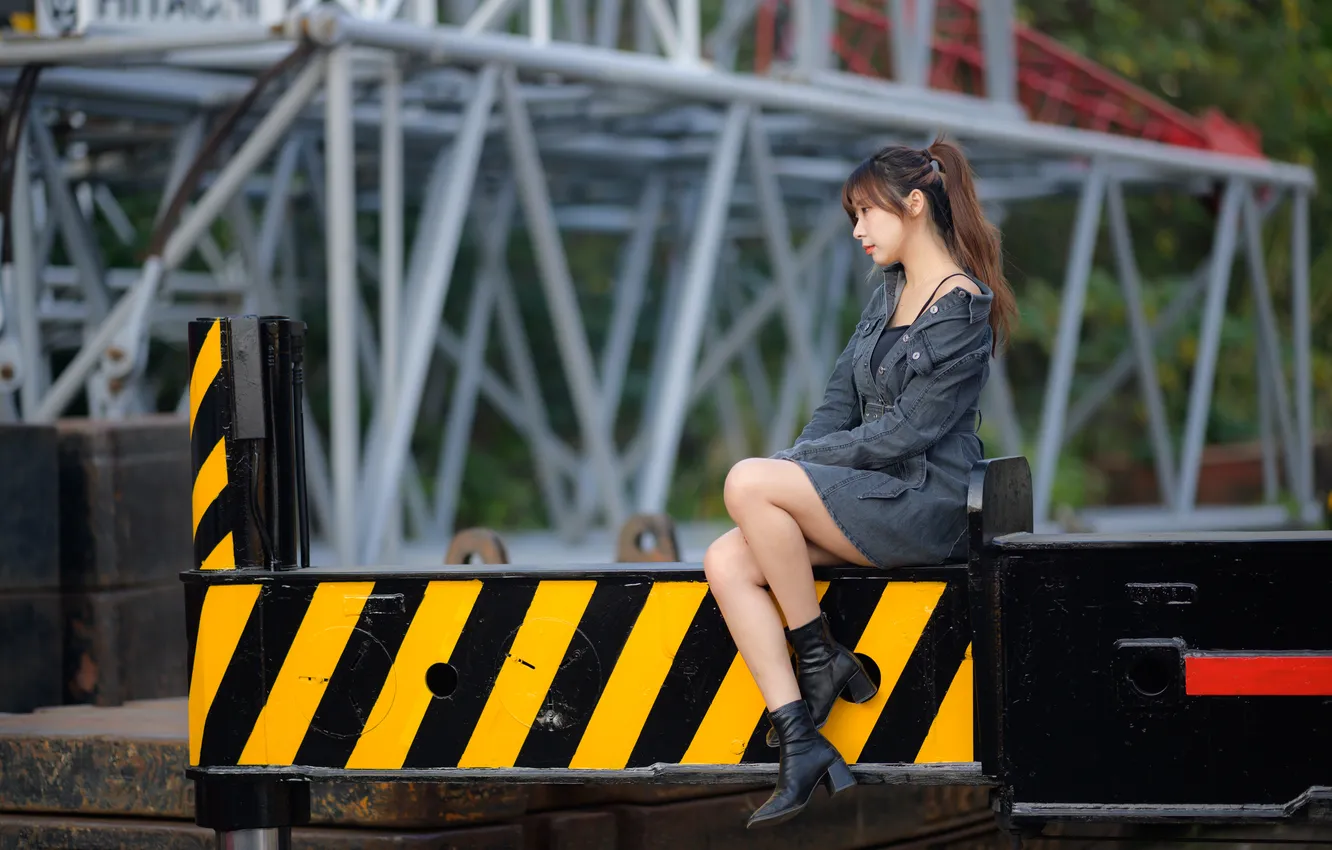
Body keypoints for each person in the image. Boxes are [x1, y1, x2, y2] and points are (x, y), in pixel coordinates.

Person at [702, 135, 1017, 828]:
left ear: (913, 205)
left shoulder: (964, 307)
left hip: (924, 501)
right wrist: (792, 463)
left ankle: (819, 659)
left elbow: (906, 433)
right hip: (871, 493)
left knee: (749, 482)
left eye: (866, 212)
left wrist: (784, 472)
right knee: (725, 558)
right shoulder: (888, 295)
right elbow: (837, 406)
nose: (857, 230)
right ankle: (800, 738)